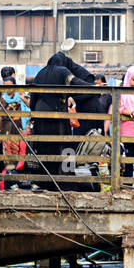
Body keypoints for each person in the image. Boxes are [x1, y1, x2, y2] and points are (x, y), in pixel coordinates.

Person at [28, 52, 94, 187]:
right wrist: (94, 87)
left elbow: (32, 99)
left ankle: (45, 181)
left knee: (44, 147)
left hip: (40, 115)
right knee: (64, 146)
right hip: (57, 113)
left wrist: (34, 115)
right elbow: (76, 83)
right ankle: (64, 181)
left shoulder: (40, 73)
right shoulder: (63, 71)